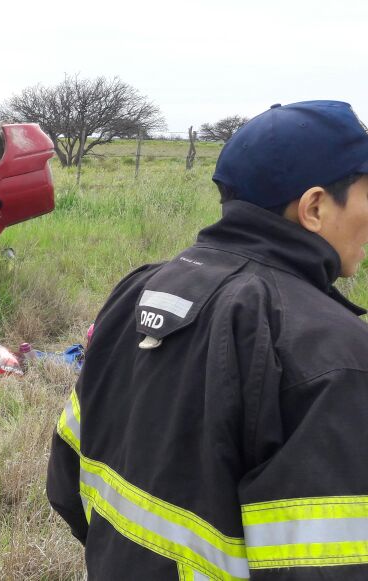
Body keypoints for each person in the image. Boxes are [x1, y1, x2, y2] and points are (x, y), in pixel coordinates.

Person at [46, 101, 368, 580]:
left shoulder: (138, 289)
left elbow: (66, 479)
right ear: (315, 207)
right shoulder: (332, 354)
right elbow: (328, 568)